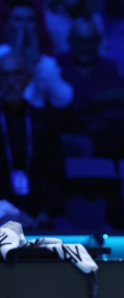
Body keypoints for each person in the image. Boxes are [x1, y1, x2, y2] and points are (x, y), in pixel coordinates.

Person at [0, 52, 63, 228]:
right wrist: (15, 214)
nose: (11, 82)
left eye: (17, 74)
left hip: (42, 215)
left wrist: (45, 212)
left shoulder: (44, 120)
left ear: (28, 78)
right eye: (4, 75)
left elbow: (55, 173)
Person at [57, 19, 124, 159]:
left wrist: (85, 102)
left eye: (91, 40)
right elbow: (65, 101)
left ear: (98, 42)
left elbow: (122, 102)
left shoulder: (109, 66)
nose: (86, 46)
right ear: (70, 41)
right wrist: (108, 96)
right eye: (81, 40)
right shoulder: (58, 65)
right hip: (67, 128)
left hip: (106, 132)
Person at [0, 1, 73, 109]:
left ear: (37, 25)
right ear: (7, 24)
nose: (24, 25)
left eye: (30, 19)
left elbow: (63, 100)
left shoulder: (46, 63)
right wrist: (15, 55)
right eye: (18, 19)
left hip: (34, 121)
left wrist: (37, 64)